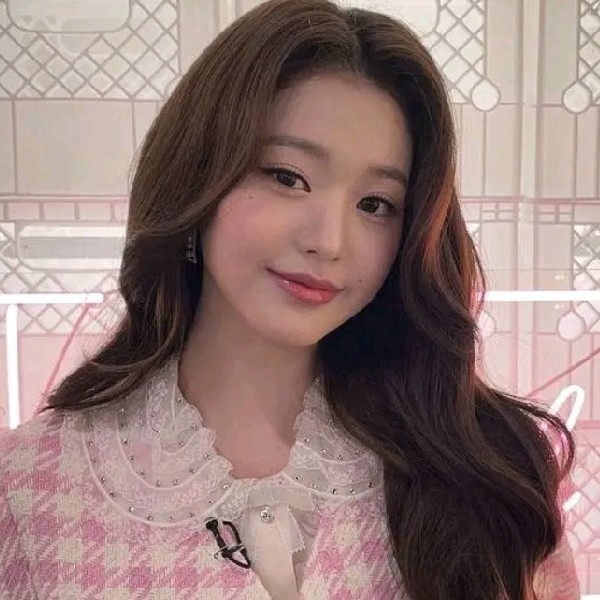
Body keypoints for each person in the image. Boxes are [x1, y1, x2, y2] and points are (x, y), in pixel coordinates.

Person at [0, 0, 581, 598]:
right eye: (287, 177)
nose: (329, 241)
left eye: (375, 204)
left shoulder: (490, 472)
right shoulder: (33, 489)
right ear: (197, 176)